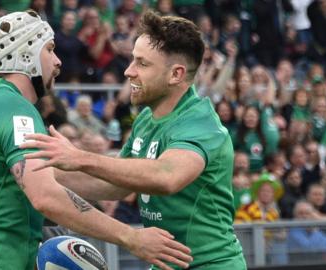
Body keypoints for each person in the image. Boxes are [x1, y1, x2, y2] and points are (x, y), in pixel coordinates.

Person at [0, 10, 192, 270]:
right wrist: (132, 237)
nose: (57, 61)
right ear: (26, 54)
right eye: (49, 50)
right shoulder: (12, 106)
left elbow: (60, 179)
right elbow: (46, 196)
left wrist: (129, 179)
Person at [21, 10, 246, 269]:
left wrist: (79, 157)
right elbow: (118, 185)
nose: (129, 71)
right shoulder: (146, 119)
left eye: (143, 63)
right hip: (163, 263)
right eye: (132, 60)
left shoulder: (201, 125)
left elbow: (166, 176)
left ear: (176, 74)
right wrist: (36, 174)